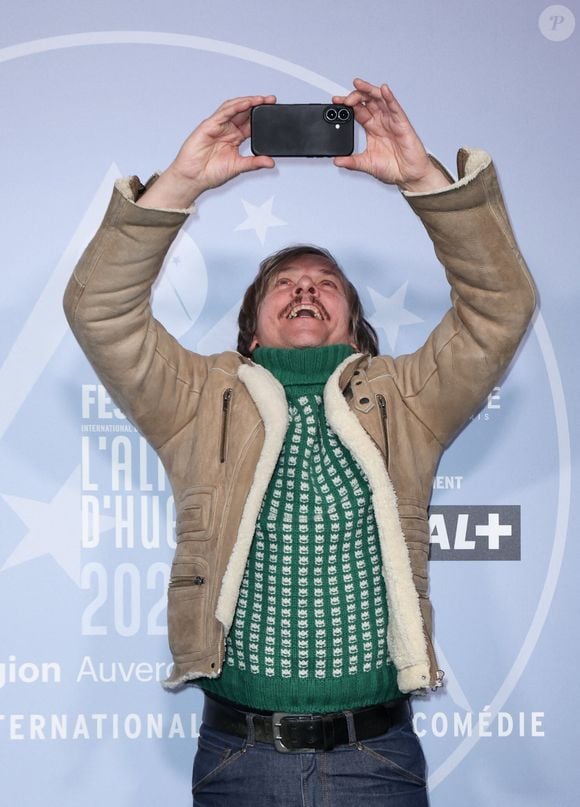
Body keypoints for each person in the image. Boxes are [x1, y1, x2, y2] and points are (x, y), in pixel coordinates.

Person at [63, 78, 536, 806]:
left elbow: (500, 307)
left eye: (326, 283)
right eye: (284, 283)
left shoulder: (407, 399)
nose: (306, 290)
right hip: (239, 758)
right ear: (252, 332)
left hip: (377, 759)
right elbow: (99, 310)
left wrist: (423, 181)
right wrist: (181, 183)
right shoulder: (200, 400)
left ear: (355, 326)